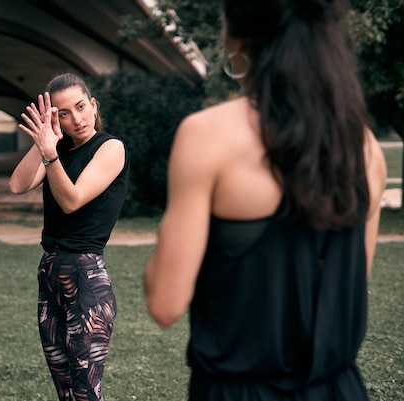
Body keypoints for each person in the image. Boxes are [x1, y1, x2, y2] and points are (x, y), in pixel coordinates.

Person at [144, 0, 387, 400]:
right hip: (339, 388)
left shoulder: (207, 136)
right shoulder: (365, 147)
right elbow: (349, 283)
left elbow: (164, 303)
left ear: (236, 36)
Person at [9, 72, 130, 401]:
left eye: (80, 107)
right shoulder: (55, 151)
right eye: (63, 113)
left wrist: (50, 154)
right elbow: (18, 185)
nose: (76, 119)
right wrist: (44, 142)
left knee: (85, 391)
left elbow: (72, 199)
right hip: (50, 274)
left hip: (86, 277)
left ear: (93, 105)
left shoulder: (110, 148)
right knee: (65, 392)